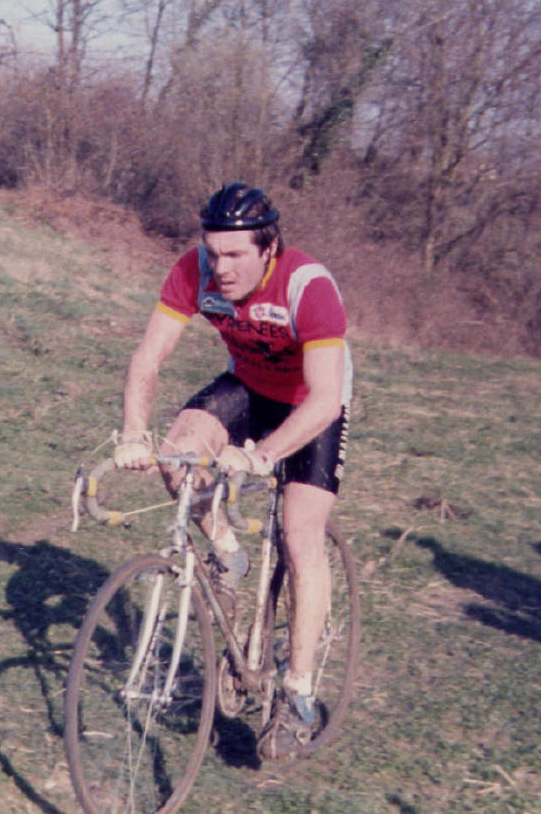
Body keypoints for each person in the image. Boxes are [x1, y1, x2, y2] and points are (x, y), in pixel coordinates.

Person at [112, 182, 352, 759]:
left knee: (300, 536)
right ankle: (228, 554)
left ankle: (296, 691)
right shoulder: (194, 270)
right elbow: (149, 355)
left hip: (309, 404)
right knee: (178, 458)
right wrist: (131, 432)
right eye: (214, 252)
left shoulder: (307, 286)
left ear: (269, 248)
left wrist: (263, 454)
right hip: (247, 385)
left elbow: (324, 400)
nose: (221, 267)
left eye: (236, 254)